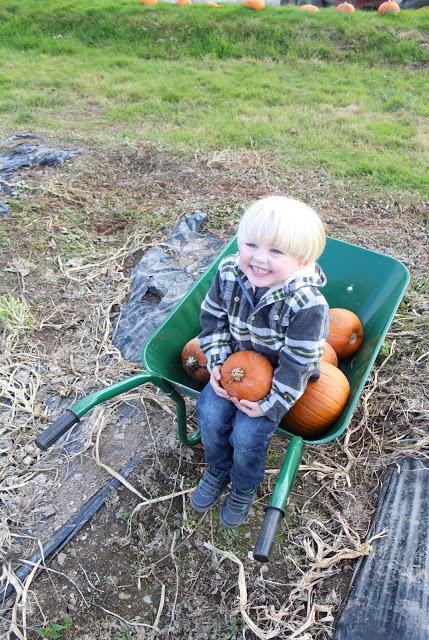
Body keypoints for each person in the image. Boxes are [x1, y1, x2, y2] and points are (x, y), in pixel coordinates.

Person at [190, 196, 329, 528]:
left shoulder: (307, 304)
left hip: (278, 380)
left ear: (302, 260)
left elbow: (298, 361)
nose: (259, 258)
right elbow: (212, 322)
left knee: (248, 435)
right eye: (251, 244)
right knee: (209, 414)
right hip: (234, 367)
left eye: (276, 252)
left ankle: (244, 484)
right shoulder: (228, 273)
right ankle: (218, 467)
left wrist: (271, 403)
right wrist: (219, 365)